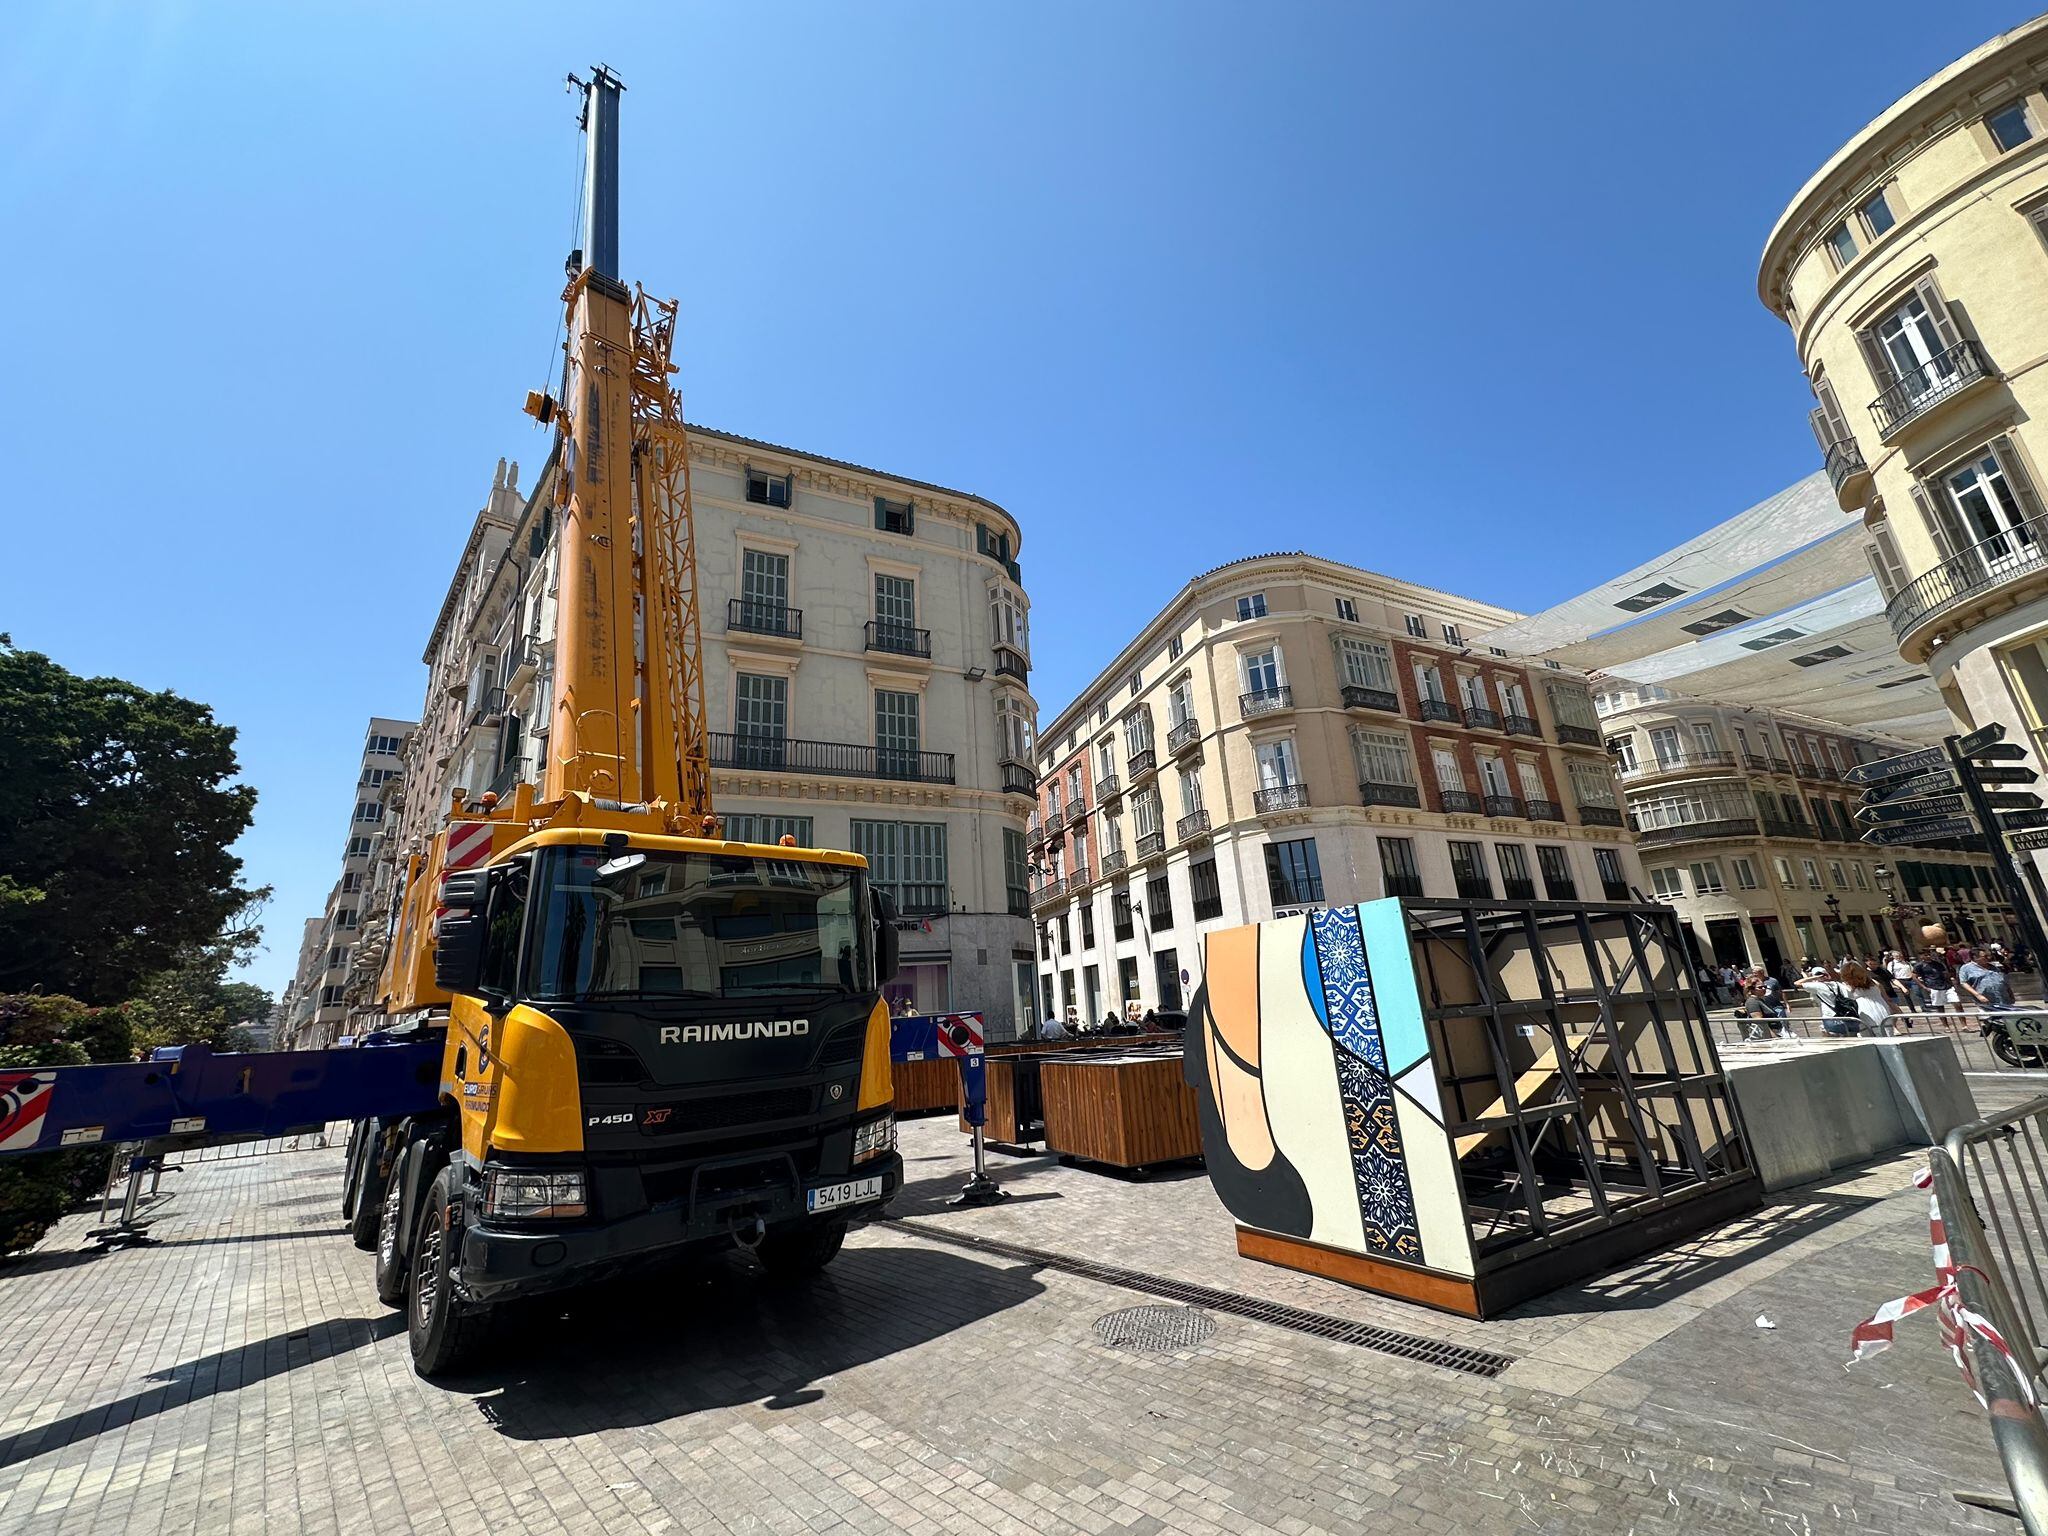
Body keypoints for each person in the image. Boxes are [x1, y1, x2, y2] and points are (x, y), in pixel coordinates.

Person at [1804, 960, 1894, 1037]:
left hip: (1863, 1011)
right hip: (1882, 1008)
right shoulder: (1874, 983)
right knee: (1887, 1035)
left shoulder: (1847, 986)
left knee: (1869, 1037)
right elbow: (1887, 999)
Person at [1914, 946, 1962, 1030]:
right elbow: (1914, 976)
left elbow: (1945, 973)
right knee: (1940, 1007)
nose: (1928, 956)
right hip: (1933, 986)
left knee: (1957, 1003)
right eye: (1926, 955)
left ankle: (1964, 1025)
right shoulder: (1919, 966)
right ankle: (1946, 1026)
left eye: (1929, 954)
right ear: (1921, 956)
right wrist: (1924, 987)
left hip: (1946, 985)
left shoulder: (1937, 963)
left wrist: (1951, 981)